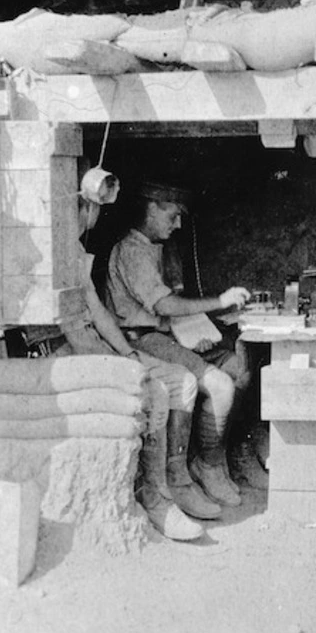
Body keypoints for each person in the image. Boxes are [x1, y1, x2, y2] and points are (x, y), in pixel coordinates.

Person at [24, 164, 214, 542]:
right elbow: (69, 329)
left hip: (94, 343)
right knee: (154, 393)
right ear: (83, 206)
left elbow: (95, 309)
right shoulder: (47, 250)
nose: (95, 214)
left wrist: (126, 353)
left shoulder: (75, 248)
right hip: (59, 350)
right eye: (92, 206)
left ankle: (171, 482)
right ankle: (152, 495)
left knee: (180, 384)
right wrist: (114, 364)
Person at [105, 179, 251, 509]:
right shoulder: (131, 251)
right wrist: (221, 301)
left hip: (169, 334)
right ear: (151, 208)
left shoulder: (160, 247)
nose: (178, 224)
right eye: (172, 215)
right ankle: (194, 469)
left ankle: (219, 456)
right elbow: (165, 306)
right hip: (144, 339)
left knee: (238, 366)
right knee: (220, 385)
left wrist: (191, 333)